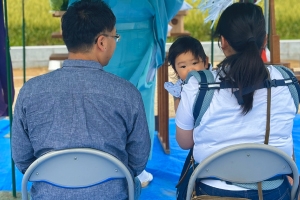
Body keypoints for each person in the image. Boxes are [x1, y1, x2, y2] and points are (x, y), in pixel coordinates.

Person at [12, 1, 151, 199]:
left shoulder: (29, 91)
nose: (115, 42)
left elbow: (22, 160)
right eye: (115, 37)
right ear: (102, 42)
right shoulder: (127, 93)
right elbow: (138, 162)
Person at [175, 3, 296, 199]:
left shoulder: (200, 85)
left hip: (213, 192)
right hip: (274, 191)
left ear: (222, 41)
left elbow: (184, 142)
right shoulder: (287, 80)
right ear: (264, 40)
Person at [67, 0, 184, 187]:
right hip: (138, 33)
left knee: (98, 96)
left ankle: (99, 158)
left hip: (101, 35)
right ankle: (136, 168)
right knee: (139, 99)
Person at [164, 35, 210, 111]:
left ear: (205, 62)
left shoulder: (214, 79)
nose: (190, 70)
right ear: (176, 71)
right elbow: (179, 114)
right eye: (183, 66)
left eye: (194, 63)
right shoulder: (179, 89)